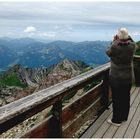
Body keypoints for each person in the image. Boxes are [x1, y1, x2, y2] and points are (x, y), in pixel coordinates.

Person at [106, 28, 136, 126]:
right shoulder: (132, 46)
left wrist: (114, 40)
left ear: (118, 36)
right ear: (128, 36)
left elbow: (108, 52)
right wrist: (126, 37)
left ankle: (116, 120)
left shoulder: (115, 45)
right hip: (128, 77)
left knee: (117, 98)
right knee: (125, 97)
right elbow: (132, 41)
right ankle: (123, 117)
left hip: (116, 77)